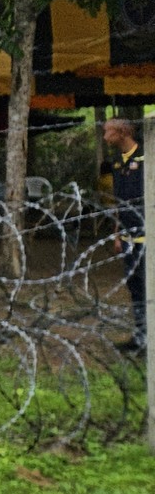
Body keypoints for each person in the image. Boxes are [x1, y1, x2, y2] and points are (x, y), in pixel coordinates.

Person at [104, 117, 145, 354]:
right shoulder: (118, 163)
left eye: (108, 131)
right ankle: (141, 336)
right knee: (135, 286)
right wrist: (117, 234)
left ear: (122, 132)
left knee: (148, 286)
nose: (105, 137)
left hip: (146, 233)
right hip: (128, 236)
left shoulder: (146, 158)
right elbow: (119, 202)